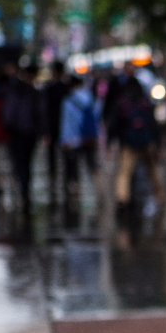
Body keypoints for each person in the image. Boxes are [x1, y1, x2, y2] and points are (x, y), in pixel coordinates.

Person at [111, 76, 166, 234]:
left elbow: (115, 123)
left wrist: (113, 142)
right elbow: (153, 124)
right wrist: (158, 143)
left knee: (124, 173)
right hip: (146, 142)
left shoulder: (123, 102)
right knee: (152, 171)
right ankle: (160, 196)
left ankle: (122, 198)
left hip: (129, 143)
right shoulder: (145, 101)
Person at [2, 63, 45, 242]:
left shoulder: (14, 90)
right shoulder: (34, 92)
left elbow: (8, 114)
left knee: (19, 163)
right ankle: (25, 190)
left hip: (16, 134)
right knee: (27, 163)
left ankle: (22, 189)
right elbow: (41, 114)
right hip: (29, 135)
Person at [59, 75, 100, 229]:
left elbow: (67, 122)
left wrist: (66, 140)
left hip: (73, 139)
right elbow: (97, 116)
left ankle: (76, 192)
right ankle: (97, 191)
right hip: (90, 138)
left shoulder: (68, 101)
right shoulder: (91, 97)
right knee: (92, 165)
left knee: (74, 167)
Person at [43, 61, 69, 195]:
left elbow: (45, 111)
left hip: (53, 127)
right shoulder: (67, 88)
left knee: (52, 157)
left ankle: (54, 180)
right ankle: (66, 182)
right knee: (65, 157)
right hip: (65, 128)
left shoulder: (48, 88)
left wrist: (45, 131)